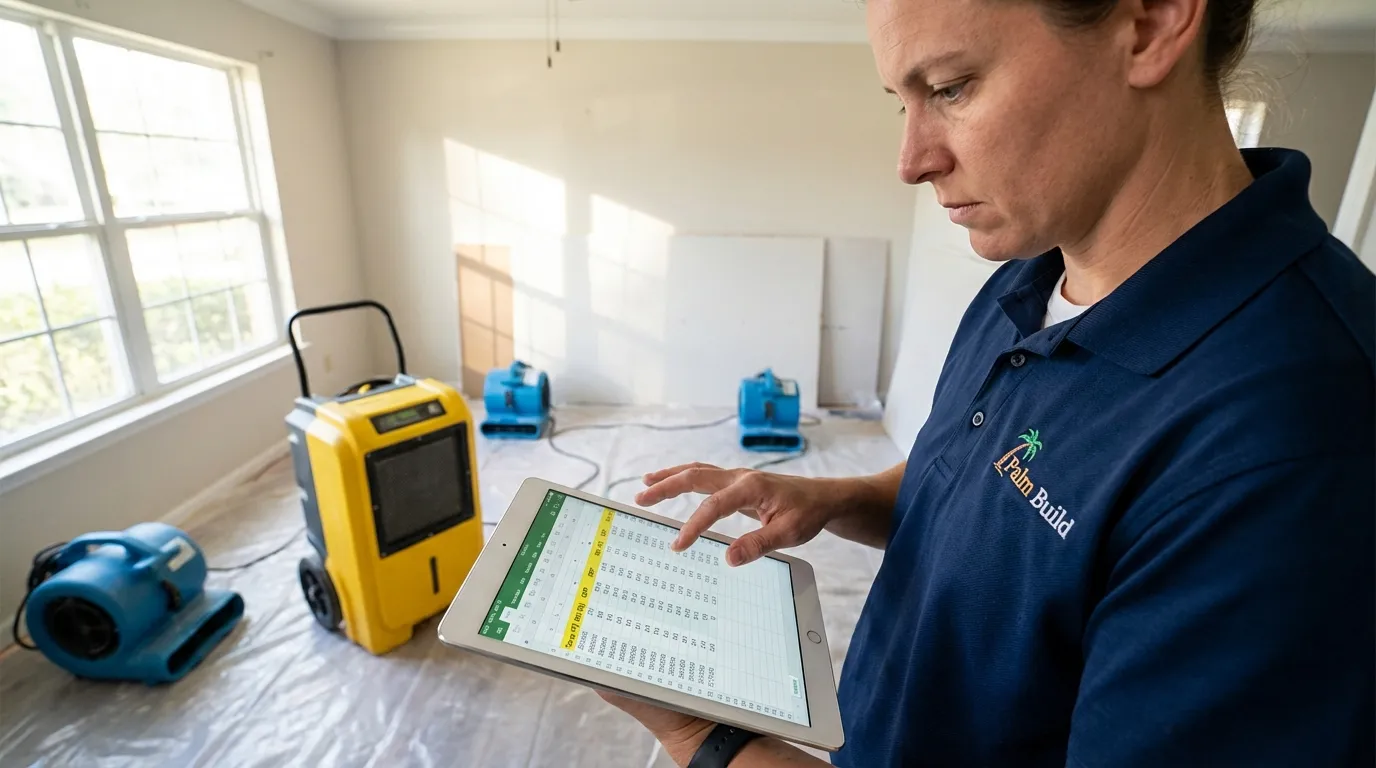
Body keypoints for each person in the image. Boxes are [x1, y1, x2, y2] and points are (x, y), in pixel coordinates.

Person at [597, 0, 1376, 763]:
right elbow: (986, 491)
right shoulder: (1032, 280)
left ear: (1150, 22)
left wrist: (703, 740)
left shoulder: (1292, 440)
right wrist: (840, 498)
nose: (910, 161)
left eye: (950, 88)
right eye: (901, 101)